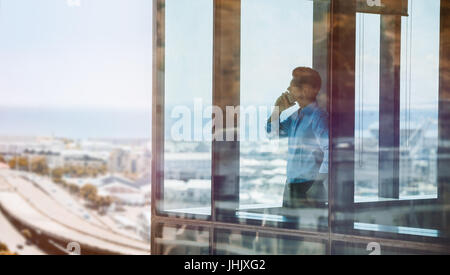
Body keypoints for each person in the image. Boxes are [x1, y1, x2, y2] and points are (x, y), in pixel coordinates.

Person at [267, 67, 329, 208]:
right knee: (288, 229)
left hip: (308, 186)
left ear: (305, 90)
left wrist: (318, 183)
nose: (288, 88)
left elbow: (331, 150)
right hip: (291, 185)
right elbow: (272, 132)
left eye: (293, 85)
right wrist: (277, 109)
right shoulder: (296, 116)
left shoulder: (318, 117)